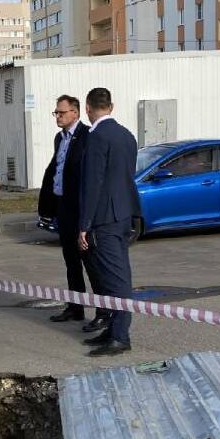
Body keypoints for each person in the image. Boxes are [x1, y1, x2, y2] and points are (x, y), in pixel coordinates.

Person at [78, 87, 140, 357]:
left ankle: (120, 336)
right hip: (124, 212)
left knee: (115, 278)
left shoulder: (97, 137)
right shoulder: (126, 135)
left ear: (88, 109)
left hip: (104, 217)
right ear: (111, 107)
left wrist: (84, 224)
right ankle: (113, 329)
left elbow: (93, 183)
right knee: (115, 274)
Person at [38, 94, 108, 332]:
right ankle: (76, 307)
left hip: (81, 208)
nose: (57, 116)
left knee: (90, 261)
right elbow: (56, 170)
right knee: (71, 261)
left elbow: (91, 176)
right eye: (55, 112)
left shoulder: (88, 136)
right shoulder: (60, 138)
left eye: (61, 112)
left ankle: (103, 311)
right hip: (63, 206)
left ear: (75, 113)